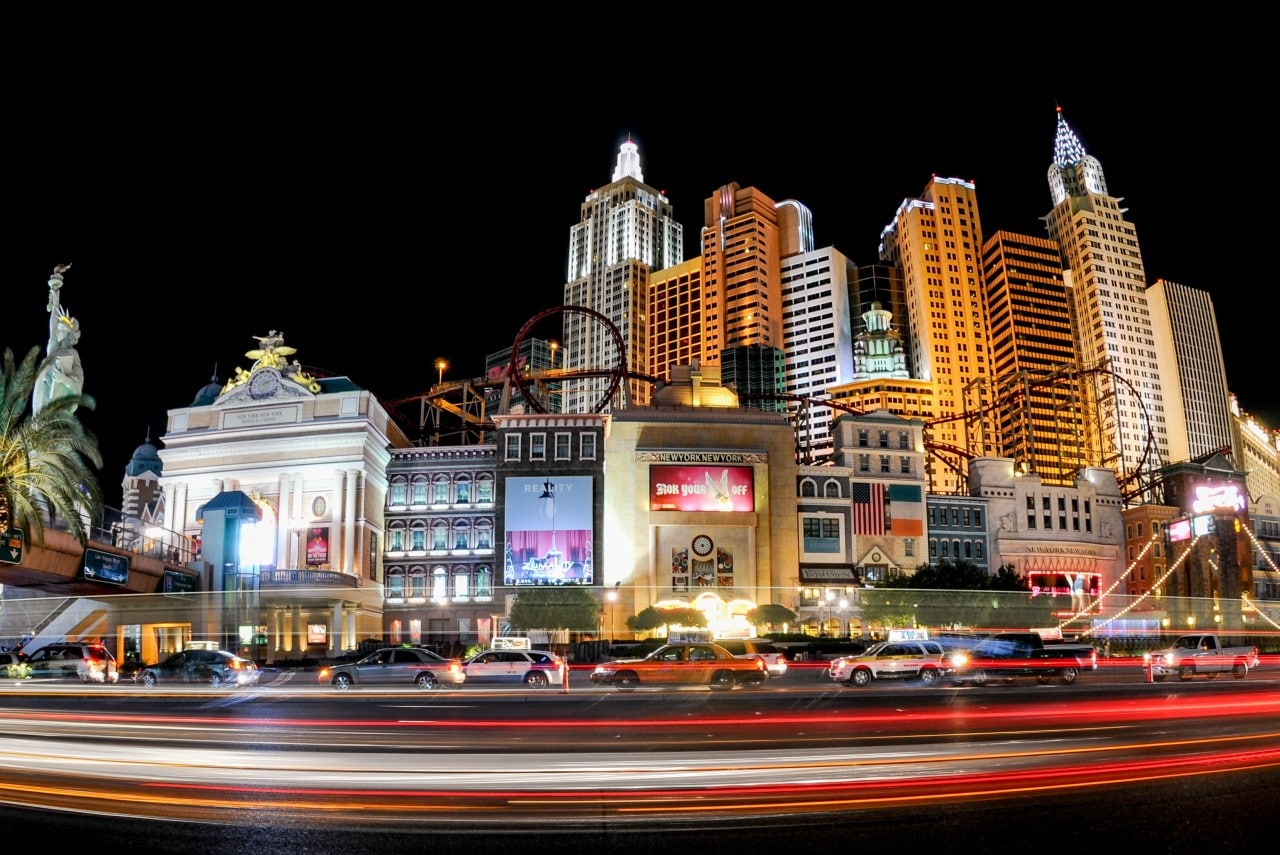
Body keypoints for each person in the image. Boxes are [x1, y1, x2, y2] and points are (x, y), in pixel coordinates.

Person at [33, 264, 85, 414]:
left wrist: (64, 379)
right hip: (42, 399)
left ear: (69, 334)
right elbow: (53, 323)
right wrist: (55, 294)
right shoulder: (54, 348)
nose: (57, 332)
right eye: (59, 329)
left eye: (62, 330)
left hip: (59, 410)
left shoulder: (72, 355)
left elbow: (78, 383)